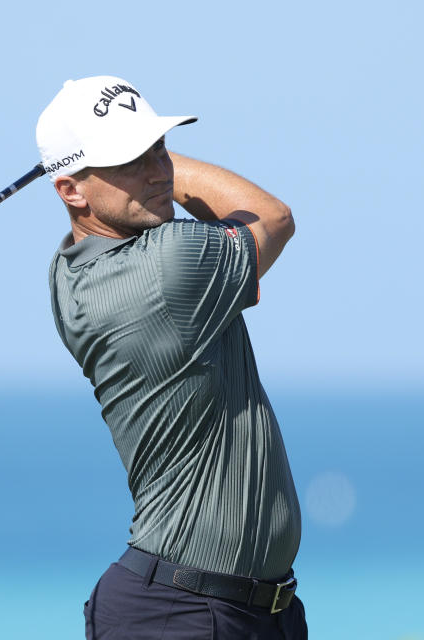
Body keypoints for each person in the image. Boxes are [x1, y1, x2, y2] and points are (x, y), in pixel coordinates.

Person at [38, 76, 306, 640]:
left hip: (236, 610)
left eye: (160, 147)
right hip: (182, 615)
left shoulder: (69, 271)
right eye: (131, 159)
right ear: (71, 191)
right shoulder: (167, 267)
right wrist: (159, 162)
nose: (159, 170)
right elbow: (272, 215)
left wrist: (129, 161)